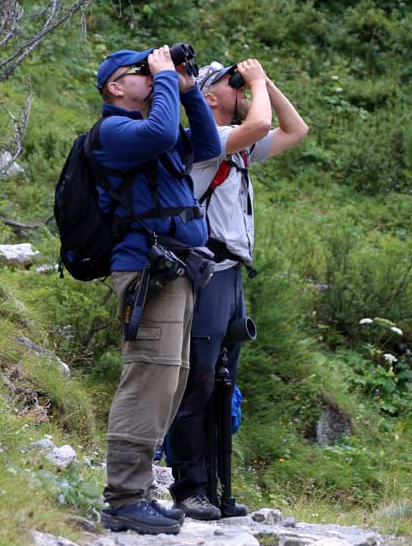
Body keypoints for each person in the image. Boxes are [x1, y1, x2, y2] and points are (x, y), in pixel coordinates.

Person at [167, 58, 309, 520]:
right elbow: (263, 122)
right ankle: (190, 488)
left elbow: (296, 129)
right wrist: (253, 85)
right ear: (208, 98)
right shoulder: (212, 143)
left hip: (231, 277)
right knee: (198, 383)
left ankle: (216, 488)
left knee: (221, 385)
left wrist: (262, 81)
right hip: (206, 275)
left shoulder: (240, 149)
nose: (241, 88)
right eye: (229, 84)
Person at [91, 45, 221, 536]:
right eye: (139, 73)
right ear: (115, 87)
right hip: (147, 271)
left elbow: (207, 146)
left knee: (170, 381)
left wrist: (188, 92)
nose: (151, 76)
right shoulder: (116, 132)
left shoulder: (152, 132)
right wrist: (165, 75)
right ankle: (123, 497)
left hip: (176, 271)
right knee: (148, 377)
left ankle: (140, 491)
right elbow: (161, 131)